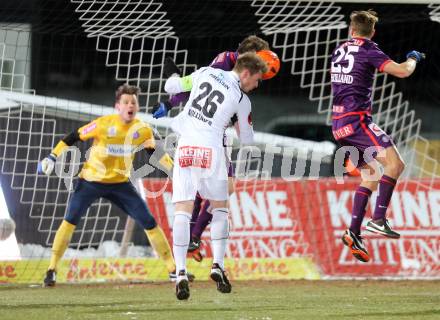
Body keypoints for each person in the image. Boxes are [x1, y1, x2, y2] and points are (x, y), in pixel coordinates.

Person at [38, 84, 193, 286]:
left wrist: (175, 172)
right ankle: (51, 270)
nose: (130, 105)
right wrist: (52, 156)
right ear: (117, 106)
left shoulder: (142, 130)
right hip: (90, 182)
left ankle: (173, 270)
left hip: (120, 185)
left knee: (148, 221)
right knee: (70, 220)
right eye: (126, 102)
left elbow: (156, 154)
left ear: (137, 107)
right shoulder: (103, 124)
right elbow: (73, 137)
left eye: (133, 102)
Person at [152, 35, 270, 261]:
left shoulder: (234, 68)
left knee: (225, 188)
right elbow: (194, 87)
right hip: (209, 136)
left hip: (207, 135)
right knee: (214, 189)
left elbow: (191, 83)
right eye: (261, 58)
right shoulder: (225, 64)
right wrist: (170, 103)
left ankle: (191, 241)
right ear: (251, 57)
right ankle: (194, 239)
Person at [166, 52, 267, 300]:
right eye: (256, 80)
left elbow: (173, 87)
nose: (256, 85)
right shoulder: (242, 99)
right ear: (245, 73)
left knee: (182, 210)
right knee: (220, 208)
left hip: (186, 148)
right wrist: (235, 120)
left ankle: (180, 273)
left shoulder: (204, 72)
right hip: (212, 153)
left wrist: (173, 76)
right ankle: (218, 264)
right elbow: (247, 139)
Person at [331, 10, 425, 262]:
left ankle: (353, 232)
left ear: (351, 29)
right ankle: (378, 219)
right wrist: (412, 58)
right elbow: (403, 71)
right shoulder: (369, 49)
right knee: (396, 164)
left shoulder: (339, 50)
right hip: (358, 121)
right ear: (372, 32)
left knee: (370, 175)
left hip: (338, 124)